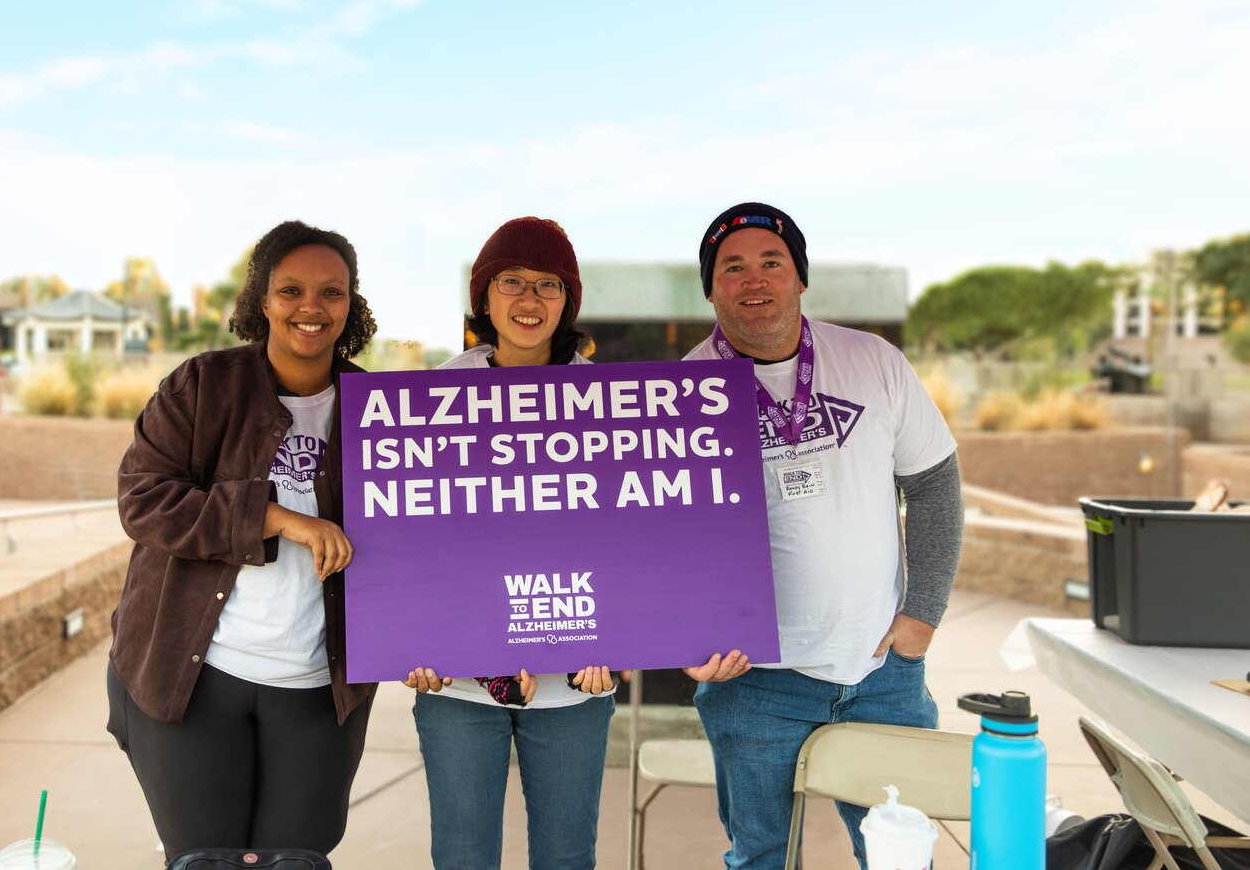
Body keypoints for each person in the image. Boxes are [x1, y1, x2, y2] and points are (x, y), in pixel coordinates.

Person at [685, 202, 964, 870]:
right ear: (712, 287)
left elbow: (934, 485)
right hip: (754, 683)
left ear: (799, 277)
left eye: (771, 262)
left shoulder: (873, 361)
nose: (755, 279)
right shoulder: (682, 391)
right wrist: (684, 638)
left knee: (900, 860)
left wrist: (921, 615)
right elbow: (659, 537)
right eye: (734, 267)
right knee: (760, 859)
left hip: (881, 673)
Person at [106, 220, 379, 861]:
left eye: (331, 292)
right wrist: (276, 517)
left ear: (351, 304)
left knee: (297, 860)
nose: (311, 308)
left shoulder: (377, 410)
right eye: (291, 290)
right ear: (263, 300)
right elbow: (143, 499)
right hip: (196, 676)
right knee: (207, 860)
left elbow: (424, 530)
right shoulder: (202, 387)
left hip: (318, 684)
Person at [403, 216, 617, 870]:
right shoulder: (432, 397)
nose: (529, 300)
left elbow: (629, 538)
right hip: (461, 684)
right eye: (511, 282)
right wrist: (415, 637)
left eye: (549, 284)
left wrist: (619, 636)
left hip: (577, 681)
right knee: (463, 857)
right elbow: (415, 540)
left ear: (568, 300)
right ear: (485, 297)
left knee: (566, 858)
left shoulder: (612, 401)